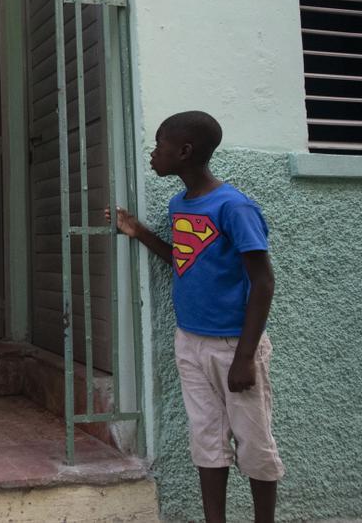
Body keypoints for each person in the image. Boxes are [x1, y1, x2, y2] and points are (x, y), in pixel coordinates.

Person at [108, 111, 283, 523]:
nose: (153, 153)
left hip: (234, 347)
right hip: (190, 343)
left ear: (184, 152)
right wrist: (140, 232)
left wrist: (244, 357)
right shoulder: (179, 204)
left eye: (159, 144)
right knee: (205, 440)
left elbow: (263, 282)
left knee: (254, 442)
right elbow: (183, 259)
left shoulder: (235, 207)